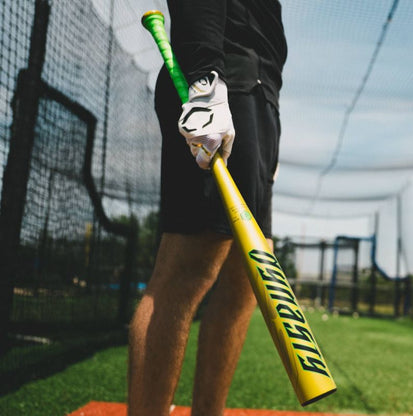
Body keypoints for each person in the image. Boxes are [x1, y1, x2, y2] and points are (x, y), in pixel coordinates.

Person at [128, 1, 287, 415]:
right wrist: (204, 81)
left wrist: (268, 129)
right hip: (221, 76)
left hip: (257, 89)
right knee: (190, 265)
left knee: (245, 274)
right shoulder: (214, 76)